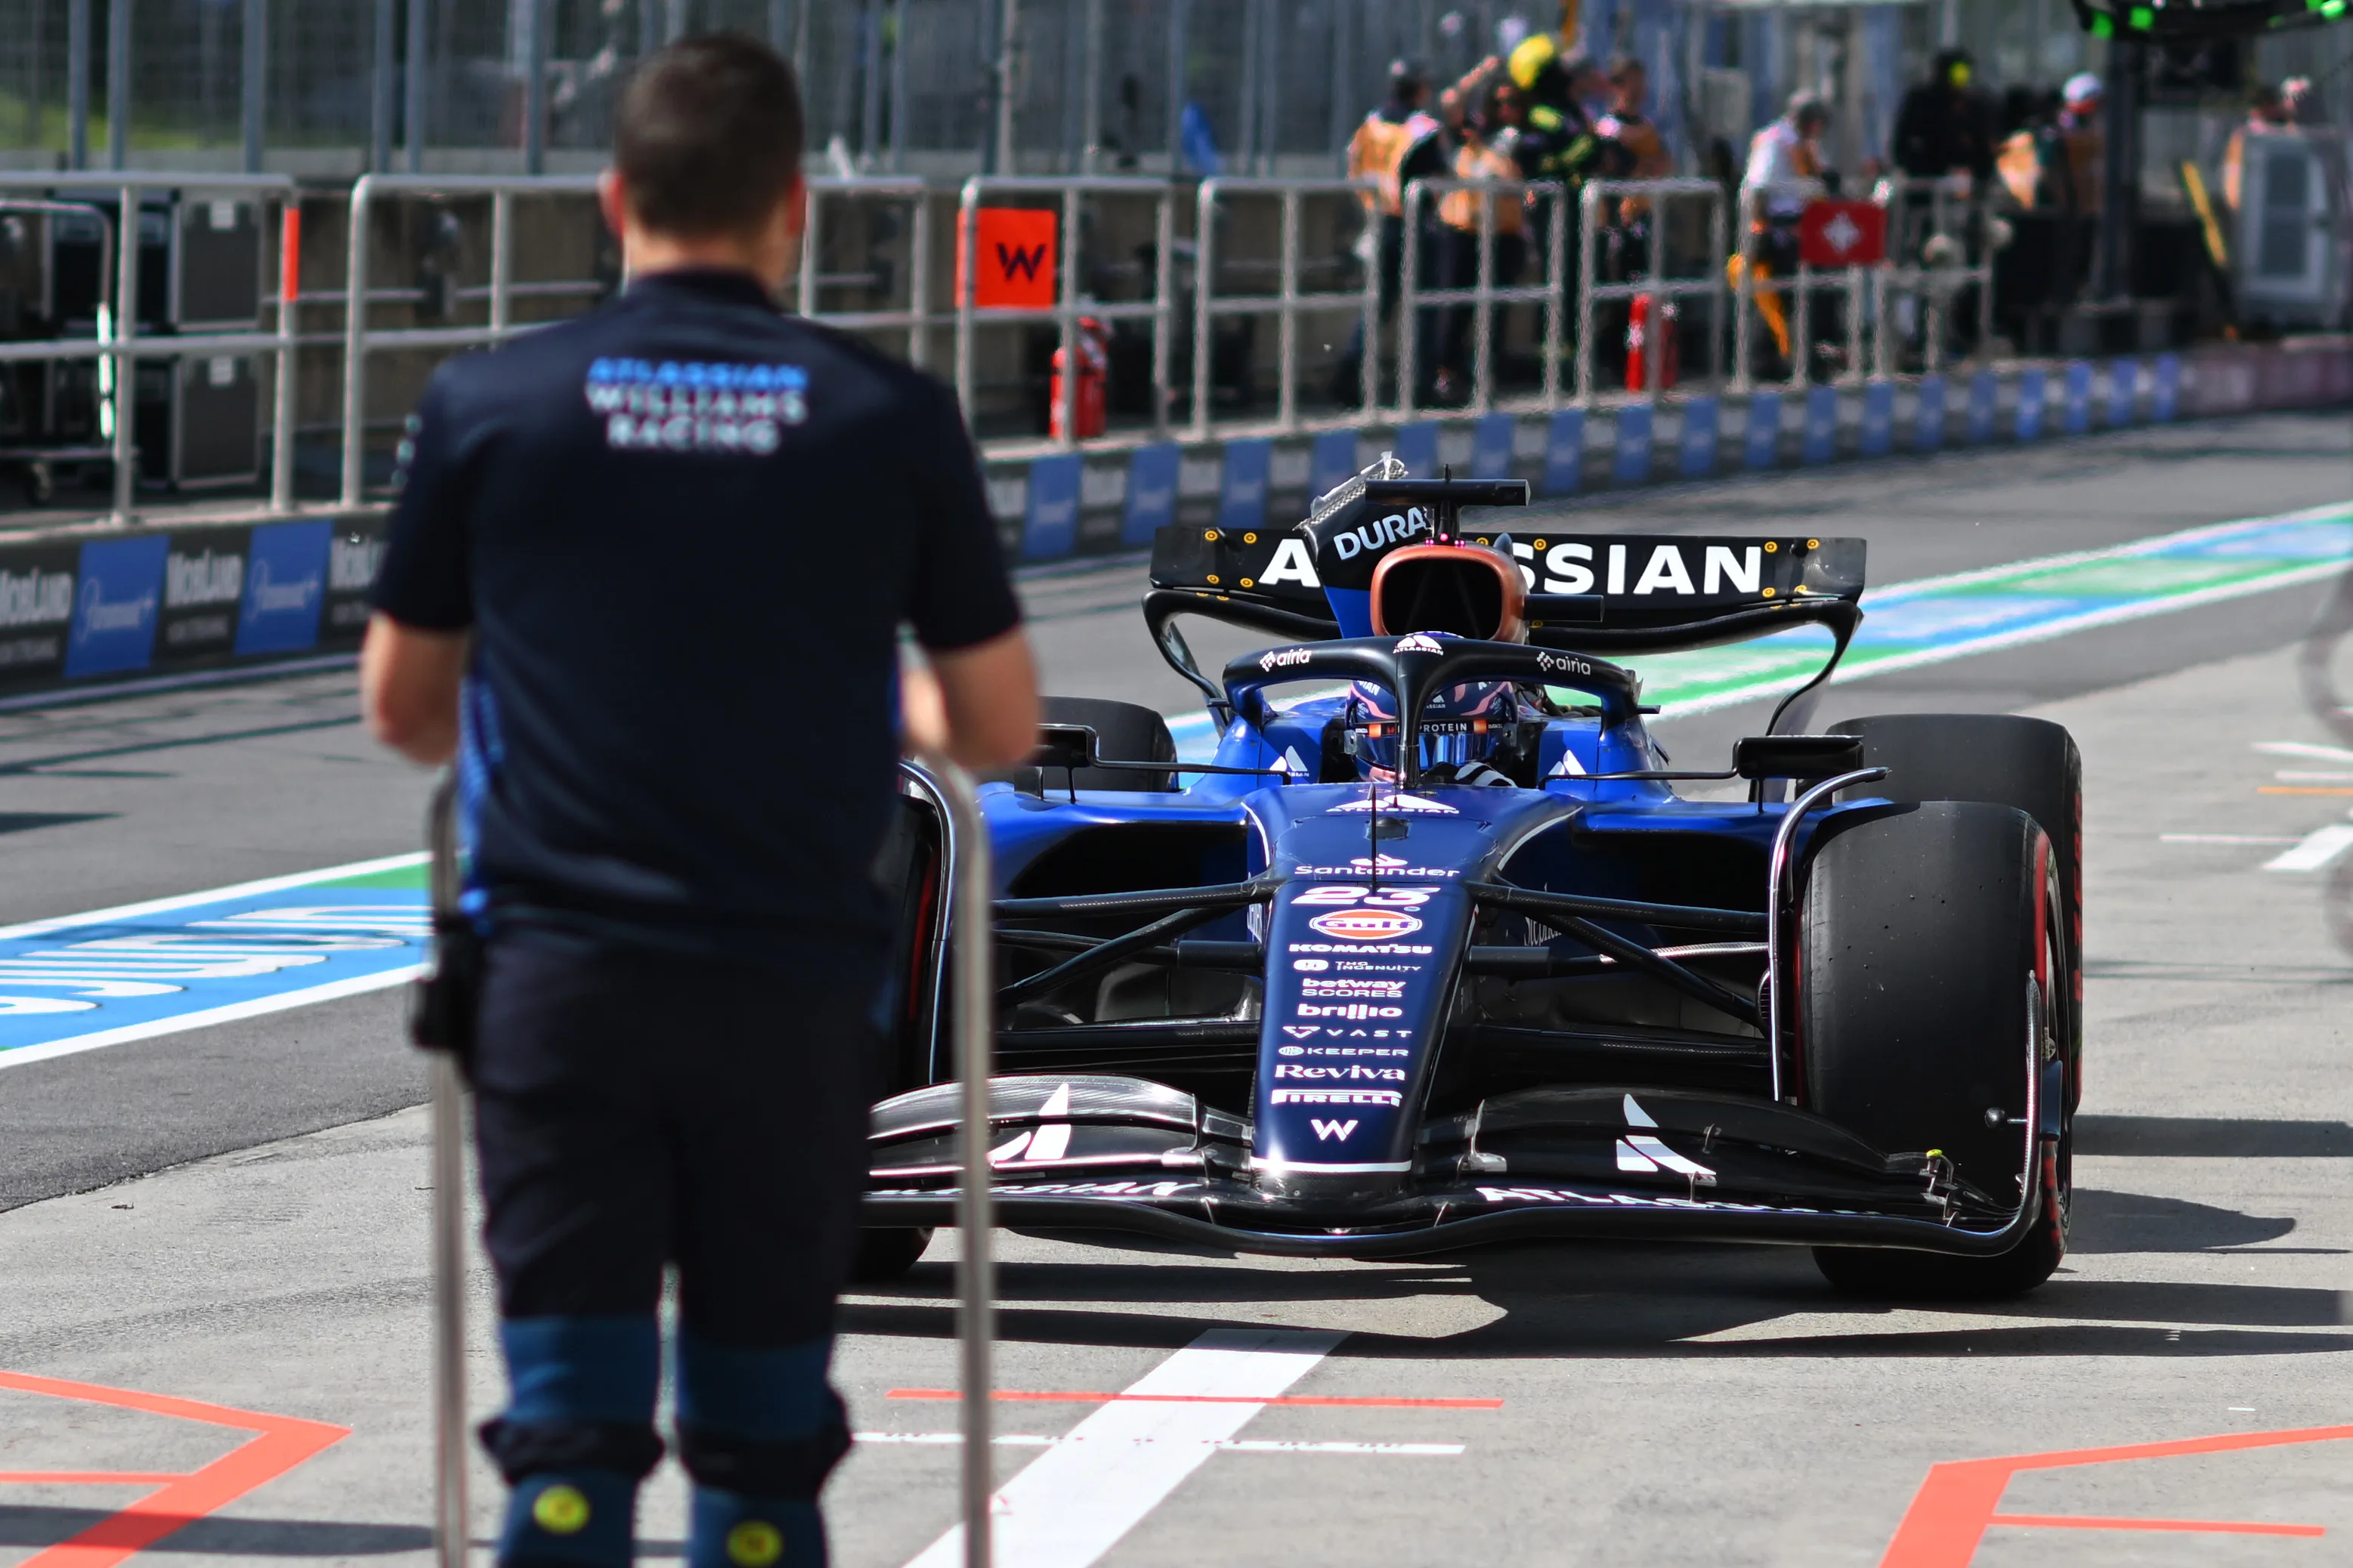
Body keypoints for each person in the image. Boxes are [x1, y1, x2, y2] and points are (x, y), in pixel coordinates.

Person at [360, 33, 1039, 1568]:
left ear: (615, 198)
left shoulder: (492, 403)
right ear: (793, 206)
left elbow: (403, 709)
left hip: (558, 981)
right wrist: (856, 695)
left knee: (568, 1445)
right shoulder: (887, 412)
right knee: (755, 1454)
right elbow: (997, 722)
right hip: (784, 990)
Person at [1331, 59, 1448, 404]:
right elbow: (1439, 176)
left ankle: (1347, 379)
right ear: (1420, 88)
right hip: (1413, 224)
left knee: (1377, 305)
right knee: (1422, 308)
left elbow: (1353, 163)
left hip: (1376, 218)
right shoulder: (1422, 129)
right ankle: (1419, 387)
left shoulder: (1370, 124)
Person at [1434, 78, 1529, 404]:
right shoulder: (1474, 131)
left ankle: (1486, 375)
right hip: (1463, 228)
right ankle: (1446, 374)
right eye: (1500, 102)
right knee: (1455, 307)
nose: (1507, 110)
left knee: (1495, 309)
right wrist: (1481, 74)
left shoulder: (1523, 141)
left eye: (1513, 103)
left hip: (1502, 233)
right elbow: (1449, 102)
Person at [1733, 91, 1832, 373]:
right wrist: (1761, 230)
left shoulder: (1803, 145)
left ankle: (1796, 357)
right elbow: (1758, 188)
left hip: (1803, 226)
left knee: (1803, 296)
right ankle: (1766, 362)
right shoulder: (1775, 140)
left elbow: (1821, 180)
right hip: (1778, 227)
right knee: (1778, 297)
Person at [1892, 48, 1996, 189]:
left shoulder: (1976, 106)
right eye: (1957, 73)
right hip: (1924, 184)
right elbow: (1904, 145)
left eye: (1964, 74)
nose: (1960, 81)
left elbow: (1984, 149)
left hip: (1968, 185)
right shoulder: (1921, 102)